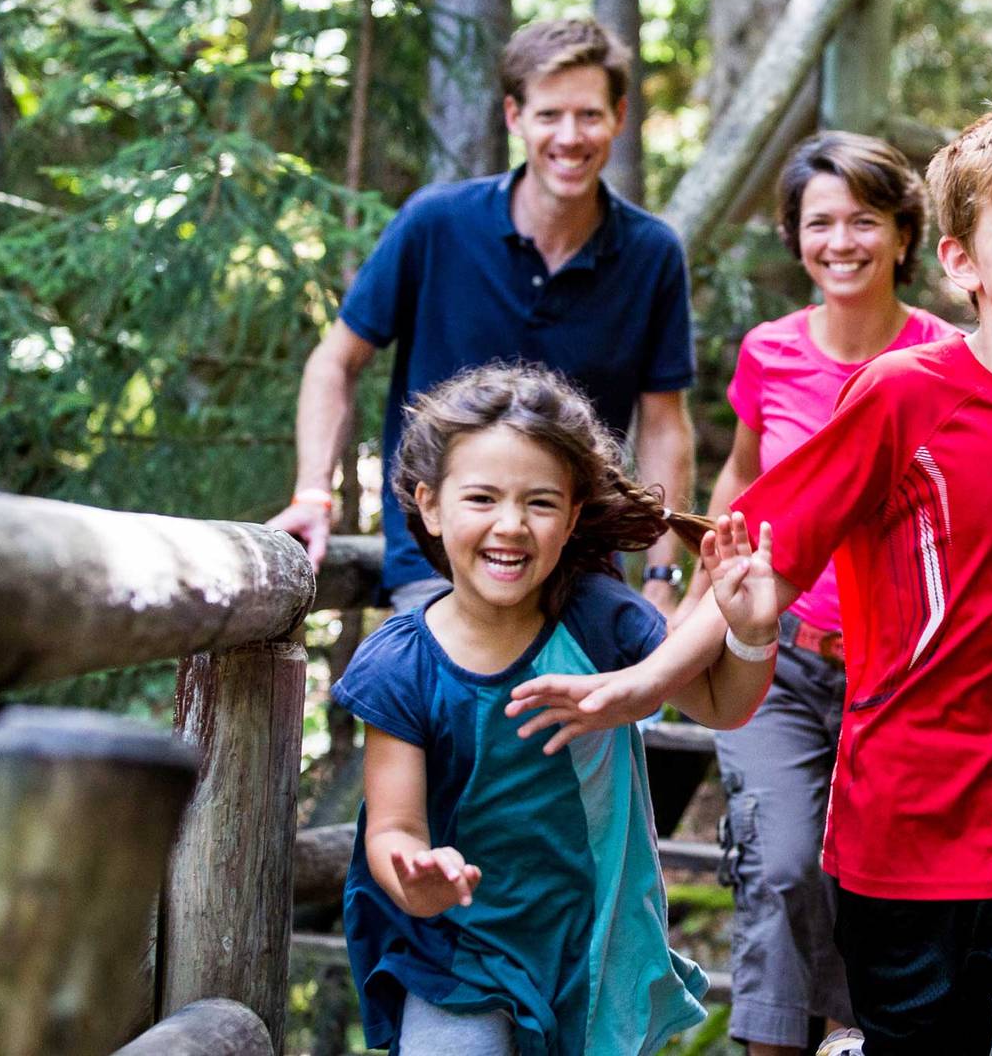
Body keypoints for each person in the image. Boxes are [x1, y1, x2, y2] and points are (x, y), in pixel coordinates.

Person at [510, 101, 992, 1055]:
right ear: (959, 262)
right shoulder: (904, 395)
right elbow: (766, 565)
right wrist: (639, 686)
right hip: (908, 827)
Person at [334, 363, 782, 1055]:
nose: (510, 526)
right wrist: (418, 878)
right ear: (430, 504)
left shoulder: (602, 623)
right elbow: (393, 828)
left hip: (594, 951)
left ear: (573, 515)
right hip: (456, 954)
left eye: (540, 503)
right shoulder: (401, 666)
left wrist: (751, 634)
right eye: (481, 498)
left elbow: (721, 705)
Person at [672, 132, 963, 1056]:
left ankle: (854, 1034)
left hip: (901, 670)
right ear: (796, 237)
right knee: (783, 863)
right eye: (819, 222)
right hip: (781, 659)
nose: (841, 241)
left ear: (905, 235)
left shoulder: (949, 358)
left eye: (864, 221)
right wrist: (699, 598)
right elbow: (743, 478)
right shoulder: (770, 352)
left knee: (879, 873)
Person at [268, 18, 695, 615]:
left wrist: (660, 575)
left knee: (601, 705)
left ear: (620, 118)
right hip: (439, 566)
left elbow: (664, 424)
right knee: (432, 700)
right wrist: (313, 492)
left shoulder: (652, 253)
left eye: (589, 115)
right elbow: (336, 361)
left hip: (582, 575)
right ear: (514, 117)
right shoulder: (436, 223)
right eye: (549, 115)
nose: (570, 136)